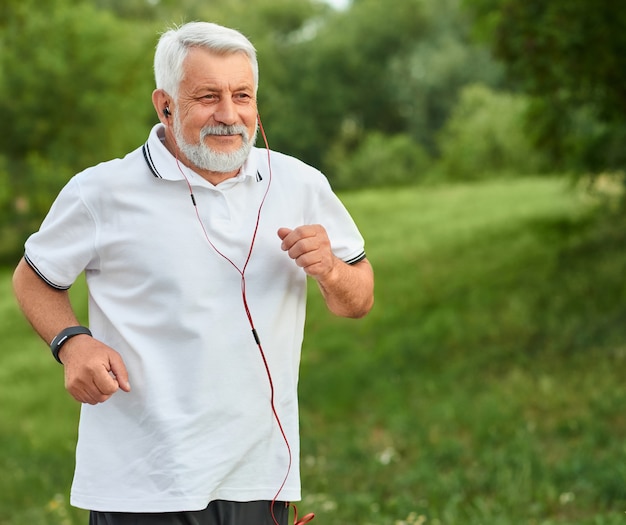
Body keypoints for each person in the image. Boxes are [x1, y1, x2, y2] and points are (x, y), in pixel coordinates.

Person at [12, 21, 374, 525]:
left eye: (242, 95)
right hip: (140, 484)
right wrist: (72, 342)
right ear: (165, 105)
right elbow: (34, 278)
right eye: (207, 97)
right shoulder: (100, 191)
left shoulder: (300, 183)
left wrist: (332, 271)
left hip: (259, 479)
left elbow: (357, 299)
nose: (229, 115)